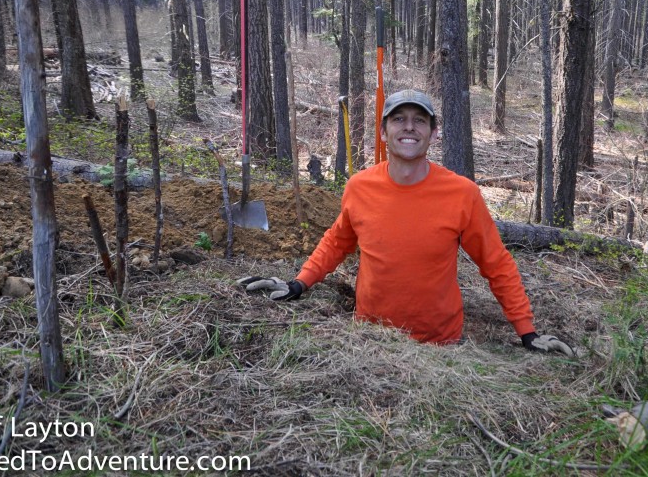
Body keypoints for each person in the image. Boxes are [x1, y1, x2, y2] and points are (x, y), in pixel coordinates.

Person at [239, 89, 572, 355]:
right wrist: (300, 283)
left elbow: (496, 263)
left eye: (419, 120)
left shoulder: (461, 194)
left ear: (433, 133)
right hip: (370, 340)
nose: (409, 127)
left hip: (440, 347)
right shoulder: (360, 187)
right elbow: (337, 242)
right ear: (384, 133)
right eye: (398, 119)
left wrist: (527, 332)